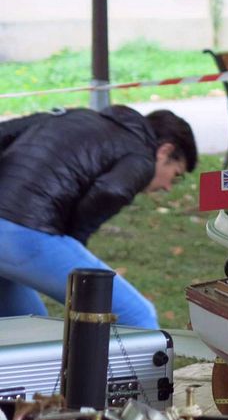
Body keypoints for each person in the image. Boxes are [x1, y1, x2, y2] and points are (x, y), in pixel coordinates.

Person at [0, 106, 197, 328]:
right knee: (137, 316)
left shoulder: (75, 116)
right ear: (165, 151)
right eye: (175, 175)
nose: (168, 187)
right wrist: (75, 237)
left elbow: (4, 131)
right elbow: (112, 190)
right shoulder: (142, 156)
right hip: (26, 234)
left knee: (28, 327)